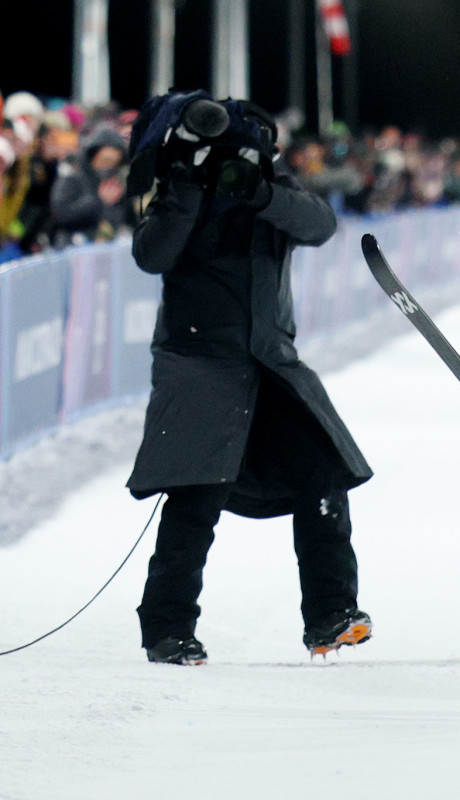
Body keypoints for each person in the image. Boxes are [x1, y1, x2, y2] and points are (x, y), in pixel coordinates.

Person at [125, 91, 373, 664]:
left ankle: (332, 615)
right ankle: (167, 630)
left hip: (270, 365)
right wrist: (189, 190)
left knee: (321, 477)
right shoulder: (176, 190)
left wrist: (260, 193)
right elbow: (152, 254)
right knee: (194, 500)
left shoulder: (268, 183)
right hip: (198, 365)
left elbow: (320, 224)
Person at [49, 123, 136, 245]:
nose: (108, 167)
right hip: (74, 247)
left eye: (114, 163)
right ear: (92, 157)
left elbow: (130, 220)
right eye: (105, 160)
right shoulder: (72, 181)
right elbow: (61, 215)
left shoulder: (118, 186)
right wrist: (98, 201)